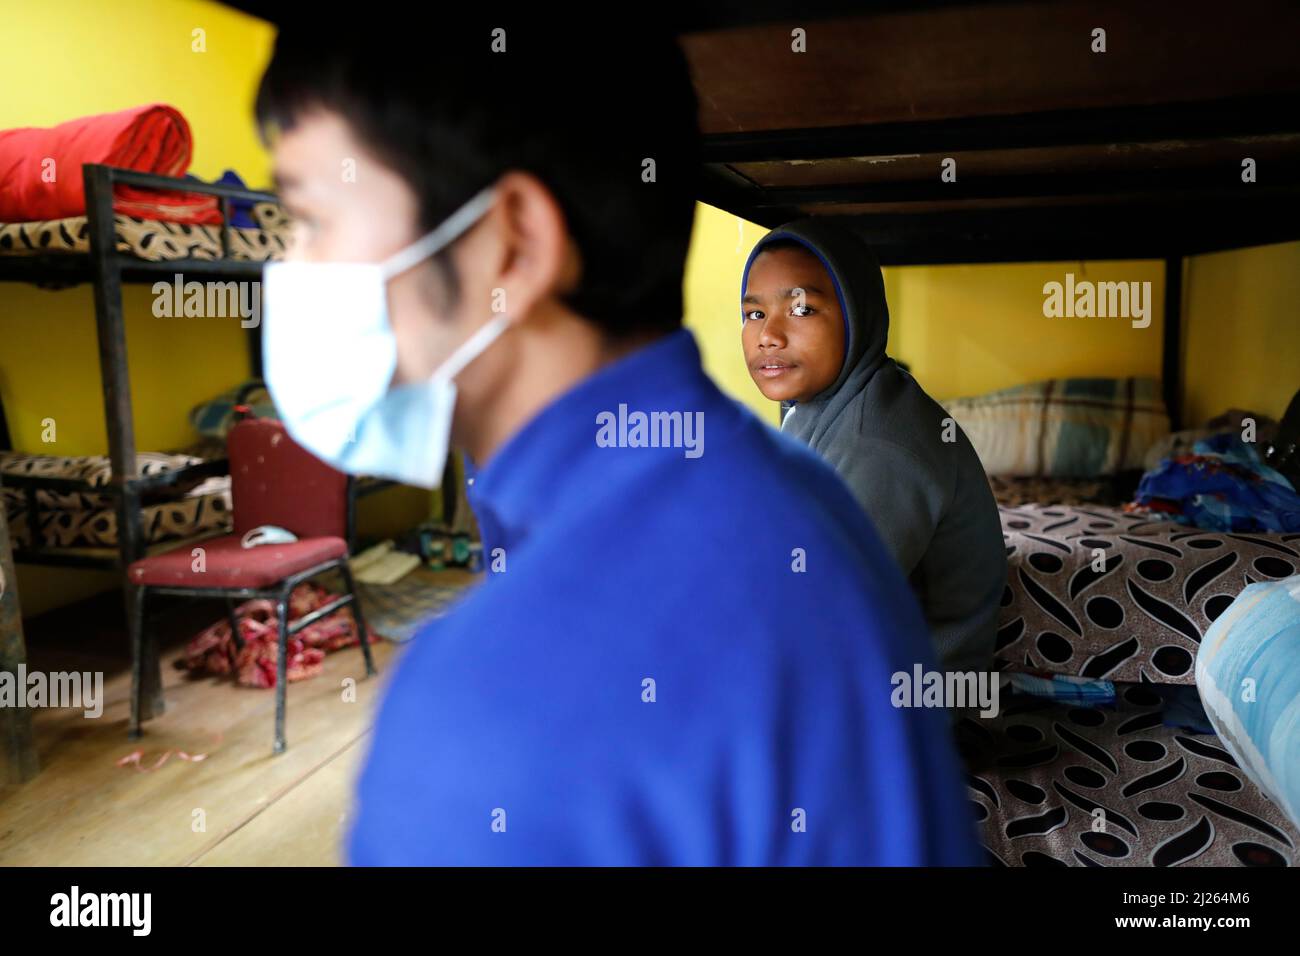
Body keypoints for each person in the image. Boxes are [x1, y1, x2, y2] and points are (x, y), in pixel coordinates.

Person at [255, 23, 980, 865]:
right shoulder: (800, 488)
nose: (291, 269)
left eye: (313, 219)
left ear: (513, 244)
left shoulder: (479, 710)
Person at [741, 222, 1006, 672]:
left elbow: (813, 621)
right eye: (753, 314)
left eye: (802, 310)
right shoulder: (817, 407)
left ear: (855, 313)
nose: (769, 335)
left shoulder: (881, 445)